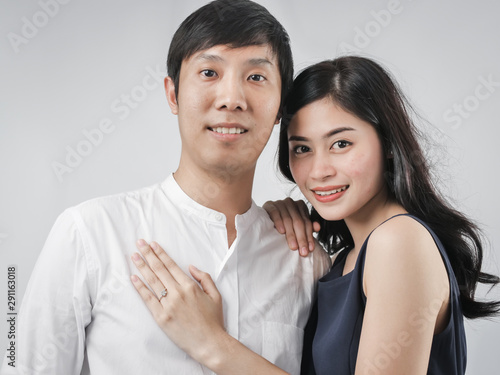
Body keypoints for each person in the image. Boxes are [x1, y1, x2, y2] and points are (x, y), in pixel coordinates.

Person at [0, 1, 331, 374]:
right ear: (172, 95)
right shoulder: (89, 232)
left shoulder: (305, 261)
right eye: (209, 72)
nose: (231, 99)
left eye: (256, 77)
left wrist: (213, 343)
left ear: (279, 109)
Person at [131, 56, 500, 375]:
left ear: (387, 143)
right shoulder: (344, 260)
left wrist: (211, 344)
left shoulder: (399, 241)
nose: (319, 170)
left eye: (341, 144)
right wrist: (274, 219)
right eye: (302, 148)